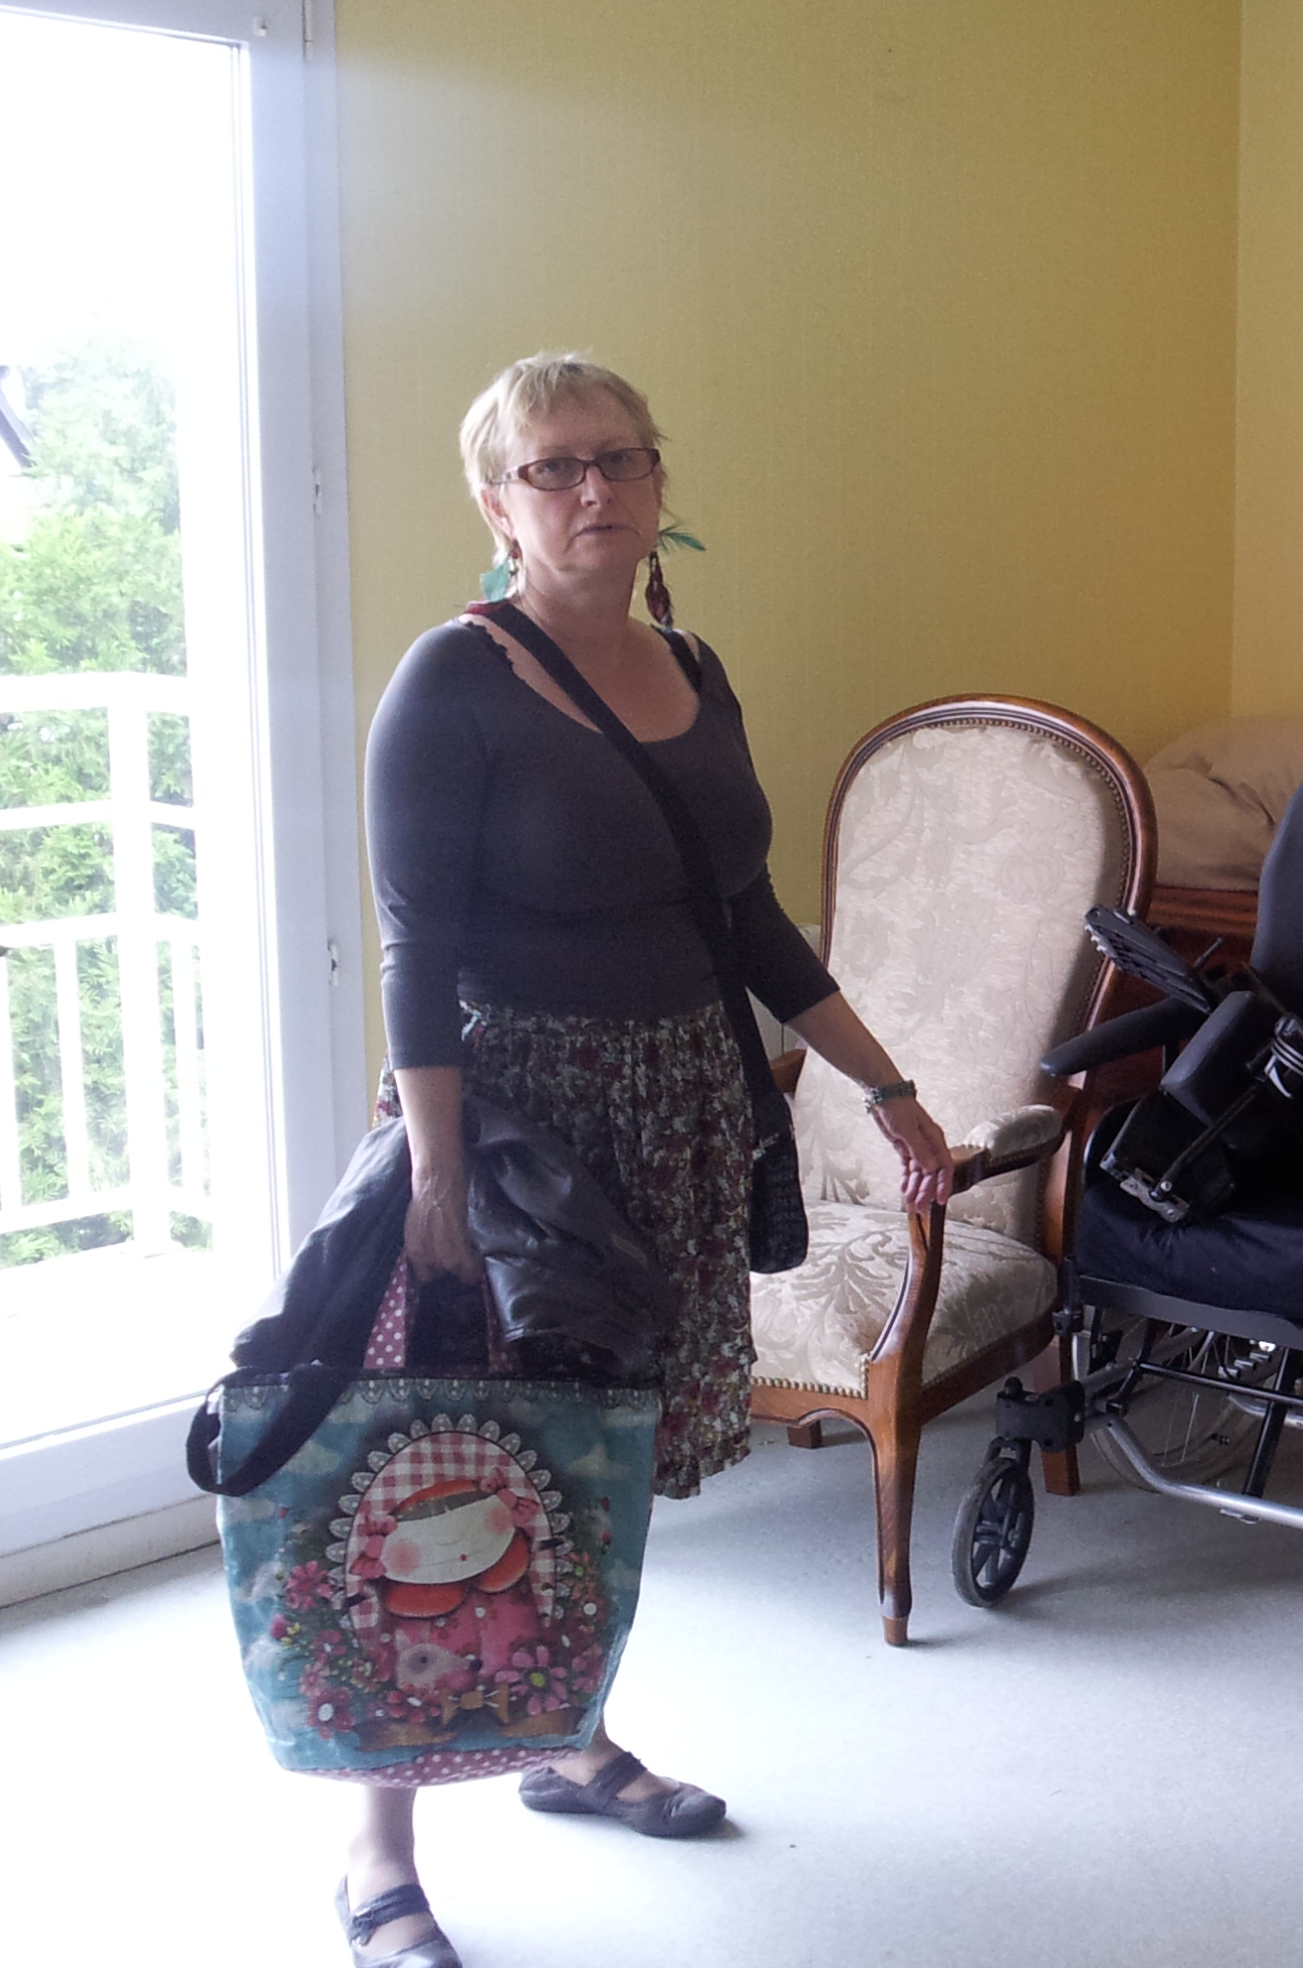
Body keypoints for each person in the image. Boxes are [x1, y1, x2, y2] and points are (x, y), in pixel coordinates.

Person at [340, 353, 952, 1968]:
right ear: (498, 504)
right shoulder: (452, 681)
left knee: (603, 1456)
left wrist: (887, 1088)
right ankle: (378, 1851)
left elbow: (746, 916)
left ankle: (571, 1737)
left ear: (661, 482)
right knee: (459, 1464)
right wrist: (436, 1179)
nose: (593, 488)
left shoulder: (696, 668)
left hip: (679, 1110)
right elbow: (415, 951)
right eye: (553, 467)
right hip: (517, 1131)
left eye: (620, 457)